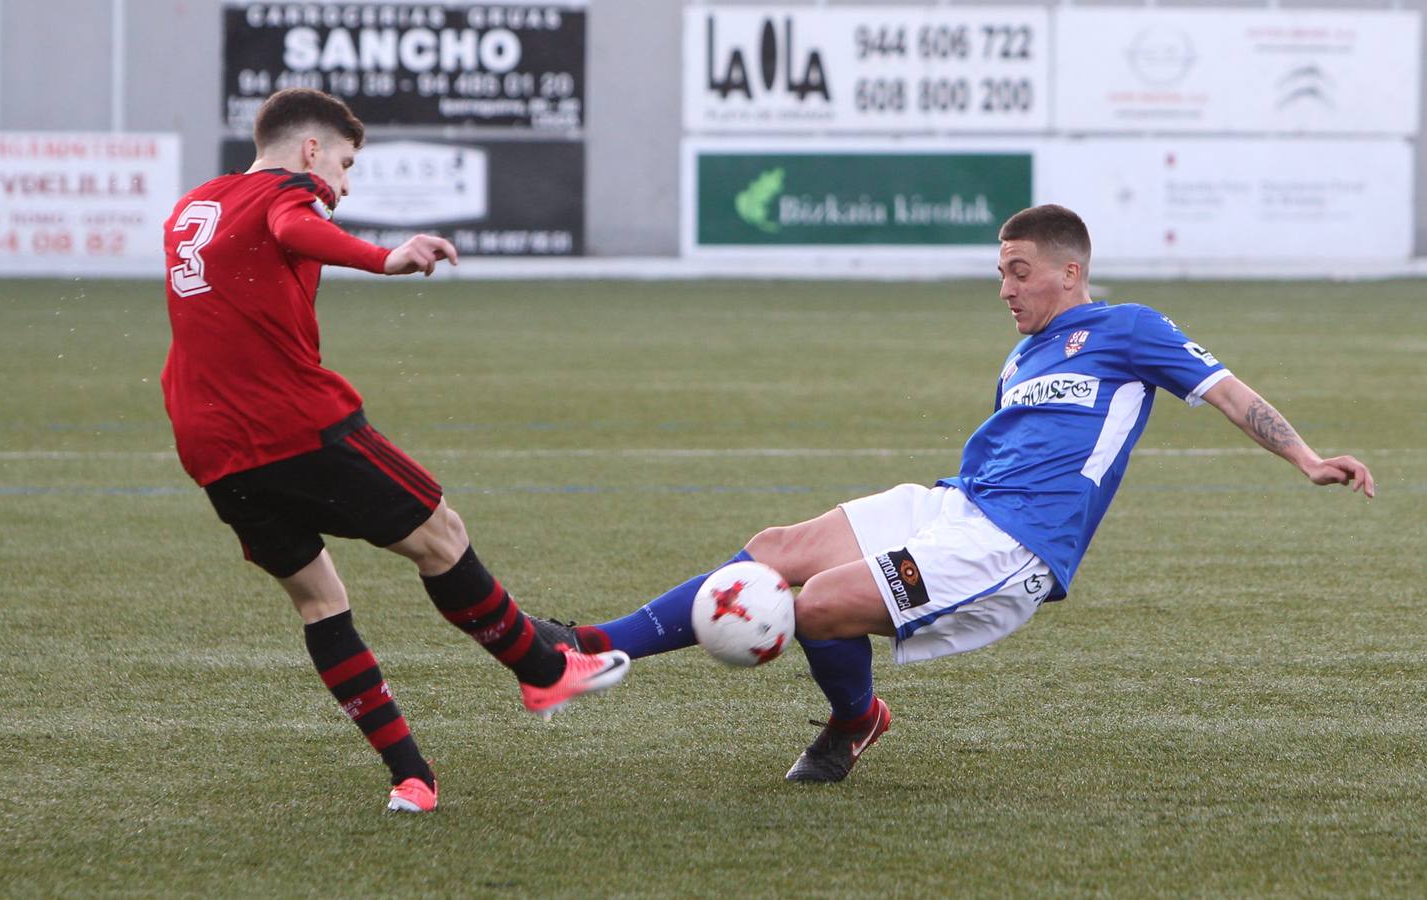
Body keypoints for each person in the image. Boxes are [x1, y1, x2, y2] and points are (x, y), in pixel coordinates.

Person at [537, 204, 1375, 784]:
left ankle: (854, 720)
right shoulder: (1024, 357)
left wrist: (1304, 457)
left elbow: (1228, 392)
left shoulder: (1131, 330)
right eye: (999, 273)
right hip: (955, 503)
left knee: (819, 604)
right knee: (775, 550)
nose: (1004, 288)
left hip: (1011, 547)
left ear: (1069, 271)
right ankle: (587, 645)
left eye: (1018, 272)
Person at [160, 88, 630, 813]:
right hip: (292, 424)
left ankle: (412, 778)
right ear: (311, 149)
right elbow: (294, 226)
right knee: (441, 535)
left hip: (209, 443)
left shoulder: (197, 205)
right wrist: (387, 258)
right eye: (345, 166)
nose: (342, 188)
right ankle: (541, 669)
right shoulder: (288, 195)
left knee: (320, 601)